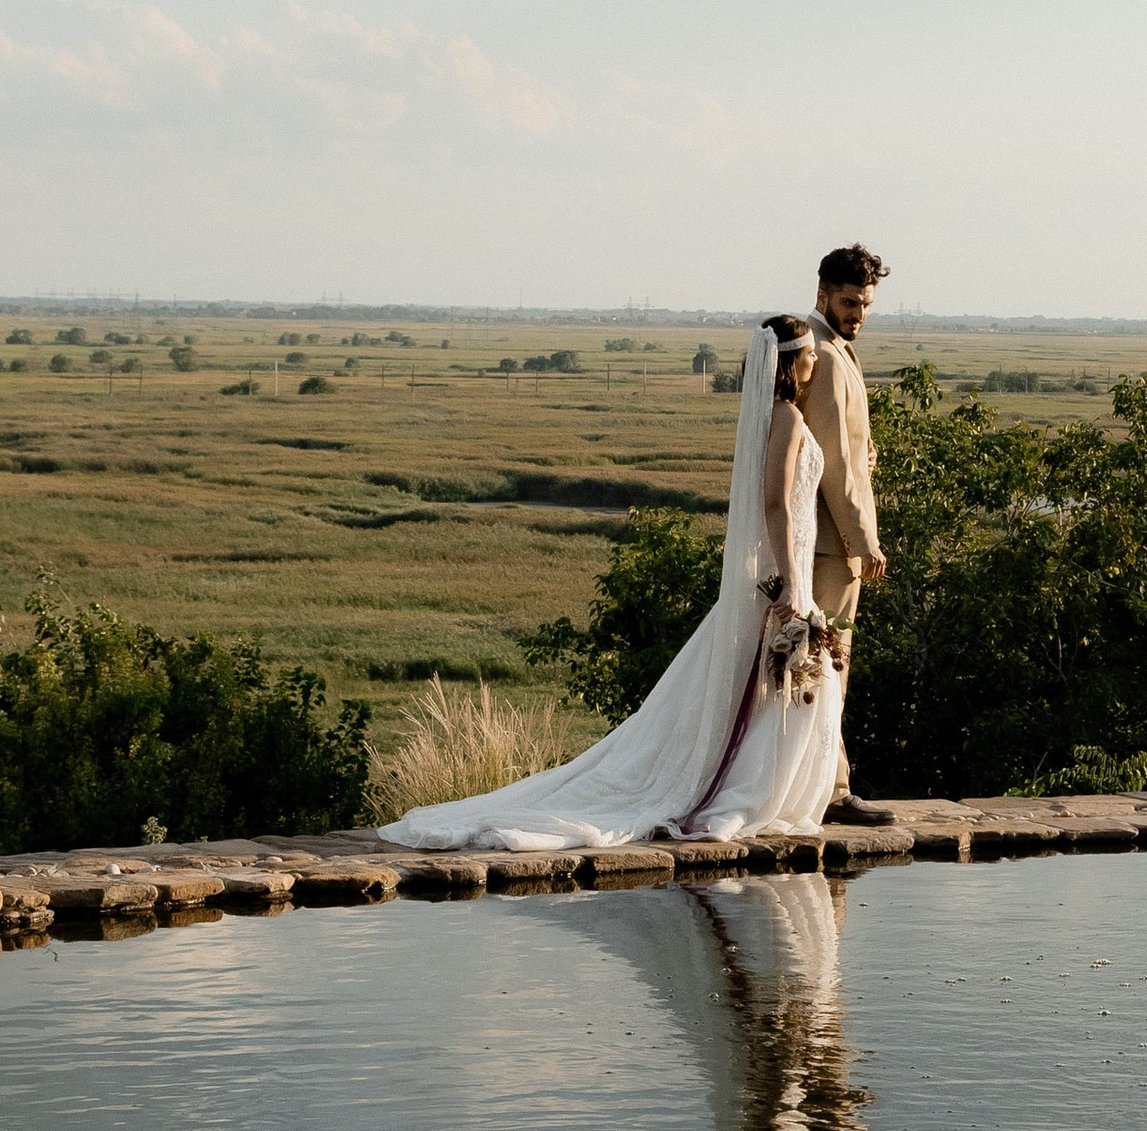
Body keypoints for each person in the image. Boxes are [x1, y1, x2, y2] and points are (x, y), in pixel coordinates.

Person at [378, 311, 846, 851]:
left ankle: (749, 785)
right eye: (809, 352)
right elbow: (776, 503)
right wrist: (791, 582)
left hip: (782, 568)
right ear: (790, 361)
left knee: (769, 685)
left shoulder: (773, 414)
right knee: (780, 684)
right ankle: (743, 791)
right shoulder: (787, 417)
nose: (816, 358)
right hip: (784, 571)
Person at [799, 242, 891, 818]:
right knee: (827, 668)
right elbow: (832, 462)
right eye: (850, 302)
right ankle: (831, 792)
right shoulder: (827, 356)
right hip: (832, 544)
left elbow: (848, 447)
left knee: (820, 666)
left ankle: (814, 787)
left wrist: (868, 452)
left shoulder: (832, 347)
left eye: (866, 304)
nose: (859, 314)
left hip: (833, 542)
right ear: (823, 294)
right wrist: (864, 540)